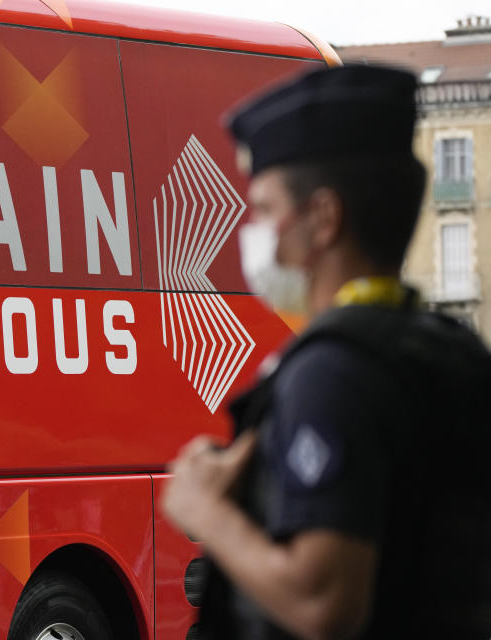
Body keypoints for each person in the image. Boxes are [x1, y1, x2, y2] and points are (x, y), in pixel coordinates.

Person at [161, 65, 491, 640]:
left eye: (264, 210)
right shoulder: (451, 350)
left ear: (323, 219)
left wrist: (205, 509)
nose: (254, 232)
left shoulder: (333, 372)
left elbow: (325, 602)